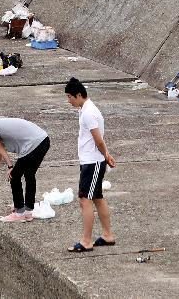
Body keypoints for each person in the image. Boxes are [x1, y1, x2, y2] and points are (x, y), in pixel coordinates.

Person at [64, 77, 116, 252]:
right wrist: (106, 155)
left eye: (70, 97)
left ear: (79, 95)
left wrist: (106, 155)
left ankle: (86, 241)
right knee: (97, 198)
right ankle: (108, 235)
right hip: (91, 161)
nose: (68, 101)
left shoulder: (88, 113)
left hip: (92, 163)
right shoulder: (85, 109)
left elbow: (98, 140)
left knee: (84, 199)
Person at [0, 114, 51, 223]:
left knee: (14, 177)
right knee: (29, 174)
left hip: (32, 145)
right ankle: (27, 211)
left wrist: (10, 166)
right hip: (43, 141)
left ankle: (19, 213)